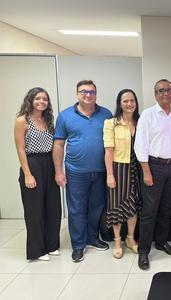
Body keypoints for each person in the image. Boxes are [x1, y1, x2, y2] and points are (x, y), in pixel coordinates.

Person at [53, 80, 112, 262]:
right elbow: (59, 144)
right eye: (84, 91)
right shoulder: (65, 116)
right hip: (76, 172)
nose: (88, 95)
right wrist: (59, 172)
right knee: (77, 209)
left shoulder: (106, 114)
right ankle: (78, 245)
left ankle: (93, 238)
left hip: (101, 171)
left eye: (92, 91)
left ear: (96, 93)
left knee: (96, 208)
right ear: (77, 94)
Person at [134, 79, 171, 270]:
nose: (166, 93)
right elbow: (140, 146)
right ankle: (143, 251)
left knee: (166, 208)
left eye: (169, 90)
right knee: (149, 212)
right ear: (155, 94)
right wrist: (146, 172)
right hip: (153, 167)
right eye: (161, 90)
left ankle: (161, 242)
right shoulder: (148, 115)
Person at [14, 87, 61, 261]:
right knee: (35, 210)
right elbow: (20, 148)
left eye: (45, 99)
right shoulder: (22, 121)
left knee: (53, 207)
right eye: (38, 98)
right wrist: (27, 173)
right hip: (32, 164)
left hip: (49, 163)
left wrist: (57, 171)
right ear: (30, 100)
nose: (42, 101)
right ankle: (38, 250)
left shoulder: (48, 120)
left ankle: (51, 245)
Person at [103, 89, 142, 259]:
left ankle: (130, 239)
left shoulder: (141, 122)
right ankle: (117, 241)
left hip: (137, 168)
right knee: (116, 206)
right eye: (125, 101)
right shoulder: (111, 123)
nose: (129, 104)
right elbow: (108, 151)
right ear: (120, 103)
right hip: (119, 169)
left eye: (132, 100)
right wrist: (110, 175)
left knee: (133, 205)